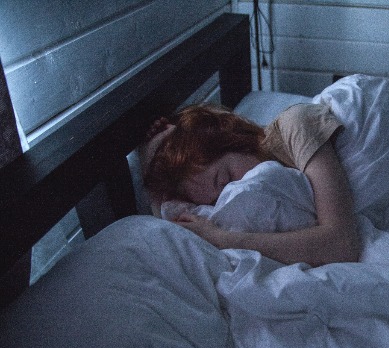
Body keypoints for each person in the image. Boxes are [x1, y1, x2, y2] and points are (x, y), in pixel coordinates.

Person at [141, 103, 360, 267]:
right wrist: (153, 164)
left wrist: (223, 240)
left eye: (226, 179)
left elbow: (341, 244)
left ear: (234, 140)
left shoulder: (296, 126)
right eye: (216, 201)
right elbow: (171, 227)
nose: (234, 193)